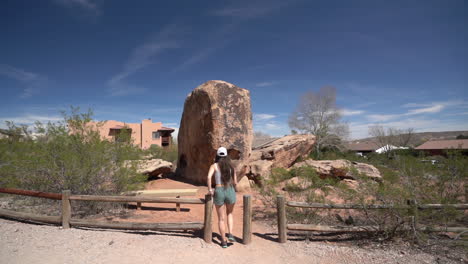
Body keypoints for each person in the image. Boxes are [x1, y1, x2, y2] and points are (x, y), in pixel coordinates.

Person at [207, 147, 238, 248]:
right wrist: (234, 189)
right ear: (226, 155)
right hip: (230, 189)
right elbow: (235, 182)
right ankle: (231, 234)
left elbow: (208, 177)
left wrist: (210, 189)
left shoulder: (214, 166)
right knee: (230, 213)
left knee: (221, 218)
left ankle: (223, 241)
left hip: (219, 190)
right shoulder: (231, 166)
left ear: (217, 155)